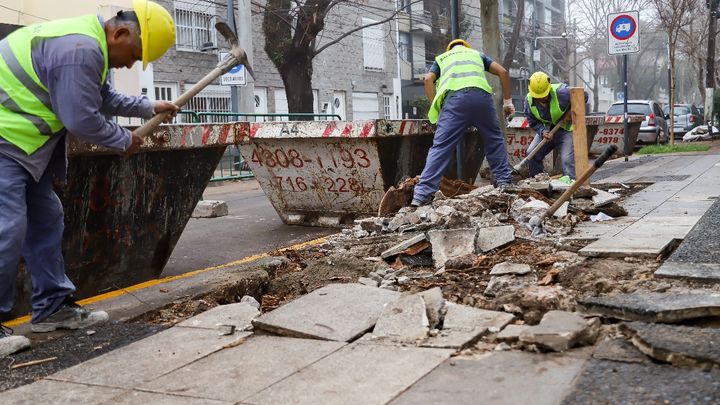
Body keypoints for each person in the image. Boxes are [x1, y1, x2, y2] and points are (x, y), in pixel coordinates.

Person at [0, 0, 178, 358]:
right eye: (134, 54)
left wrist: (147, 107)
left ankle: (52, 308)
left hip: (23, 145)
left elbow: (98, 96)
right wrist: (123, 139)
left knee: (47, 219)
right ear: (122, 33)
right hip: (6, 141)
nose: (130, 64)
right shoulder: (80, 48)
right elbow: (80, 118)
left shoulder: (88, 42)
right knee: (8, 226)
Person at [411, 39, 515, 207]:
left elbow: (428, 79)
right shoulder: (476, 55)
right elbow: (503, 71)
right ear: (466, 48)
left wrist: (436, 105)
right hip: (482, 99)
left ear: (450, 49)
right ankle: (504, 183)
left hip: (455, 102)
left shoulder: (442, 58)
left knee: (441, 147)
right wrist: (508, 102)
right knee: (494, 140)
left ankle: (421, 195)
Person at [524, 72, 587, 179]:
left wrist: (571, 111)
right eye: (537, 97)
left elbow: (583, 95)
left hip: (566, 131)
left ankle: (573, 187)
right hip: (547, 132)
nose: (540, 99)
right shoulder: (528, 101)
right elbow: (533, 121)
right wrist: (543, 131)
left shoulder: (562, 92)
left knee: (567, 160)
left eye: (543, 96)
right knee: (532, 153)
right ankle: (539, 183)